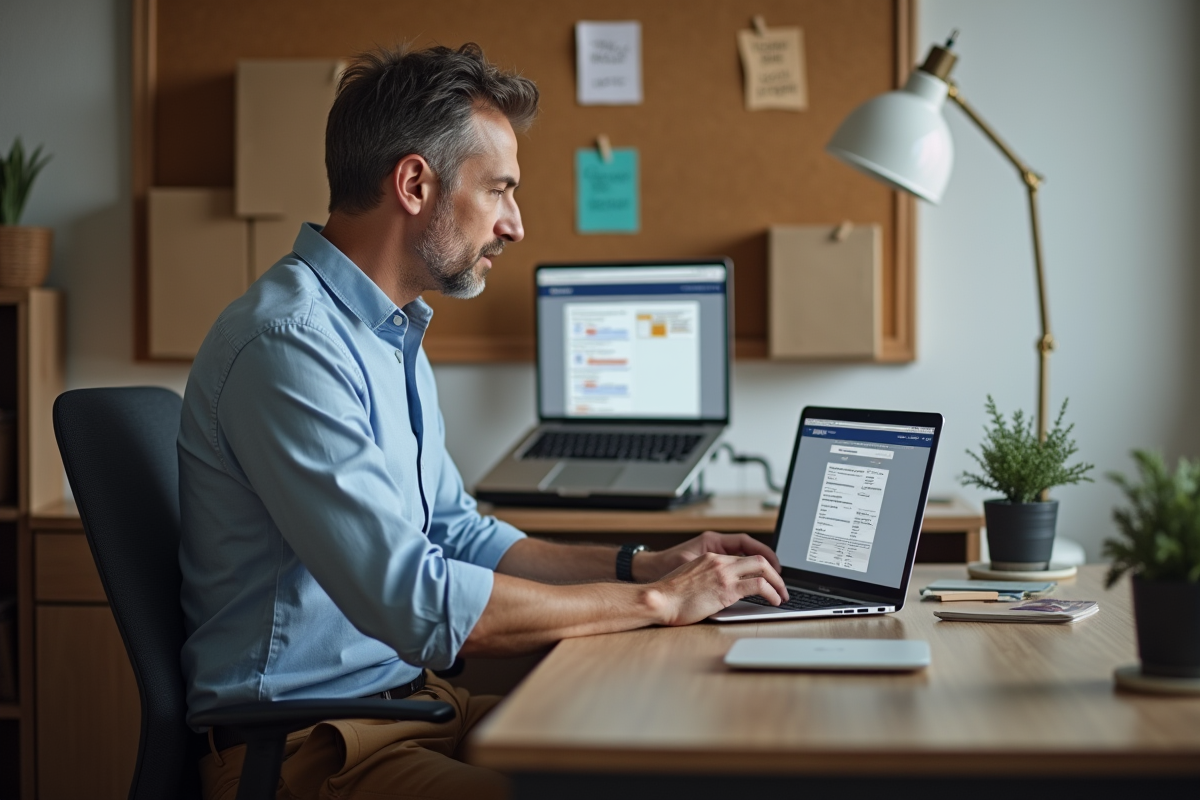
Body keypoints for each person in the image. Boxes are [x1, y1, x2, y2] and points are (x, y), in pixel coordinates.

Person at [177, 43, 788, 800]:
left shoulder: (388, 334)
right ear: (414, 184)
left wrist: (644, 566)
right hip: (308, 744)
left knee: (660, 750)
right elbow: (418, 603)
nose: (515, 225)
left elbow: (460, 537)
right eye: (499, 190)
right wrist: (657, 604)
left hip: (414, 707)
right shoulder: (288, 347)